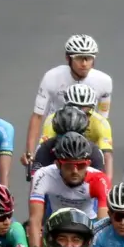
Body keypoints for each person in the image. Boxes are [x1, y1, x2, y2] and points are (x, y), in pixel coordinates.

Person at [26, 35, 113, 163]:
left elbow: (102, 119)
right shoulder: (52, 77)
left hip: (87, 131)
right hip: (56, 129)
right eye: (78, 58)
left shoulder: (104, 82)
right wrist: (30, 152)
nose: (84, 64)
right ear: (68, 58)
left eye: (88, 58)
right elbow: (38, 116)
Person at [27, 133, 109, 247]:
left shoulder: (98, 179)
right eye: (69, 165)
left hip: (87, 221)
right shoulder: (43, 175)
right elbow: (35, 218)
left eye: (81, 165)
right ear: (58, 164)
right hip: (56, 219)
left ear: (88, 163)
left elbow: (103, 223)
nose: (75, 171)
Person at [38, 83, 114, 181]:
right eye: (75, 107)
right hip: (60, 157)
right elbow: (43, 148)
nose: (79, 112)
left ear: (92, 107)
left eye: (85, 108)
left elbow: (107, 155)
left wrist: (108, 183)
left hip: (88, 157)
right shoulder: (53, 119)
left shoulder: (101, 123)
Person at [30, 105, 106, 175]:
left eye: (76, 136)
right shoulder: (45, 149)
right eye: (63, 136)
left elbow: (101, 182)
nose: (70, 140)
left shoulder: (94, 152)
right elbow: (35, 180)